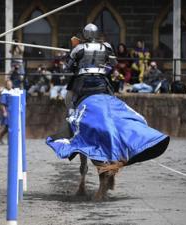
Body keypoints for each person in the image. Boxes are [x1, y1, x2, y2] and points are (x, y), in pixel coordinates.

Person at [46, 24, 169, 198]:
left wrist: (73, 50)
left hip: (83, 84)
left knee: (69, 104)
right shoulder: (106, 46)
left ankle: (72, 126)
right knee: (112, 103)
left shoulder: (79, 47)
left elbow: (69, 67)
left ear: (84, 34)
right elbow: (113, 63)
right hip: (102, 84)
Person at [0, 80, 13, 144]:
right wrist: (4, 112)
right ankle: (8, 139)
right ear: (6, 85)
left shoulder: (13, 91)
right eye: (8, 84)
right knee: (9, 126)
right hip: (7, 111)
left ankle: (0, 136)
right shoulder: (4, 93)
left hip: (12, 111)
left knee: (8, 126)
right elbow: (2, 104)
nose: (10, 85)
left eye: (10, 84)